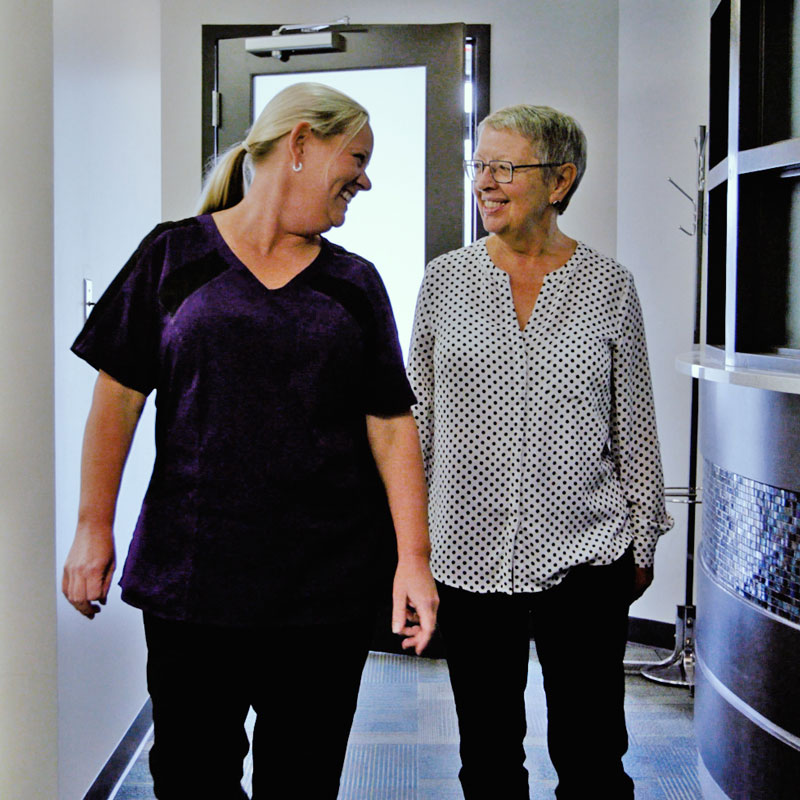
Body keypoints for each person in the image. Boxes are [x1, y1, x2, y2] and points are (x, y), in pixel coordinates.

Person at [62, 82, 438, 800]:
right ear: (299, 143)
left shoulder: (354, 286)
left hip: (324, 592)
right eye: (355, 157)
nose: (366, 178)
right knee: (191, 779)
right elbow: (118, 396)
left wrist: (413, 561)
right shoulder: (173, 258)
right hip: (192, 582)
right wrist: (92, 527)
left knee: (302, 781)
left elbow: (391, 424)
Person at [407, 104, 673, 799]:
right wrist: (408, 546)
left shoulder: (609, 286)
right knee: (489, 759)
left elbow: (634, 422)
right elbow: (419, 419)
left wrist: (641, 543)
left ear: (560, 181)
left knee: (592, 758)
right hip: (466, 555)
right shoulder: (445, 281)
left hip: (585, 555)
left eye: (505, 167)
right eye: (479, 165)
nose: (485, 183)